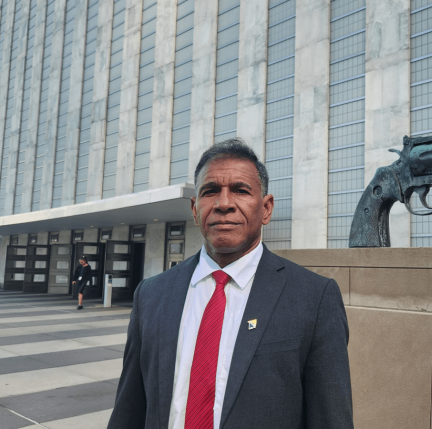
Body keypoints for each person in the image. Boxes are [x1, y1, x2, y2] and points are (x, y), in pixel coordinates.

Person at [108, 139, 353, 429]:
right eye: (210, 191)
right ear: (195, 209)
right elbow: (129, 410)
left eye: (241, 190)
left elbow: (330, 418)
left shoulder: (314, 298)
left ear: (266, 208)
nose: (224, 204)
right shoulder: (151, 295)